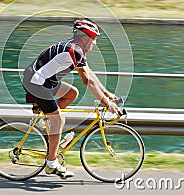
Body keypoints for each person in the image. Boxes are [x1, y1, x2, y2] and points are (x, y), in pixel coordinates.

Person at [22, 19, 120, 179]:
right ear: (85, 38)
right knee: (59, 120)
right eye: (94, 39)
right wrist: (107, 104)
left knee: (72, 93)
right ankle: (51, 164)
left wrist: (107, 94)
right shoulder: (75, 50)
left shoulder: (76, 48)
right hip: (36, 83)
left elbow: (91, 76)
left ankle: (45, 123)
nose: (95, 43)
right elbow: (87, 82)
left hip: (45, 81)